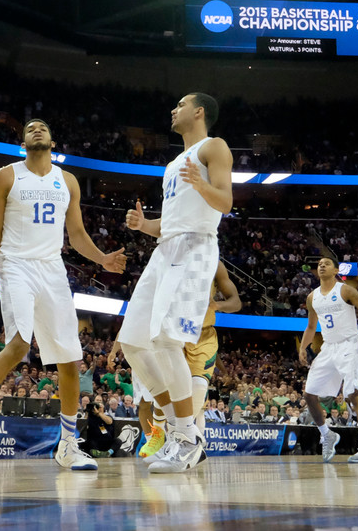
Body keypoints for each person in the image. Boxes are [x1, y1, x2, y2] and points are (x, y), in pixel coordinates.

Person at [0, 119, 127, 473]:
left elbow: (77, 235)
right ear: (23, 141)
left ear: (52, 139)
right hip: (15, 264)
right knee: (19, 344)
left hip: (52, 269)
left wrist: (103, 258)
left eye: (43, 127)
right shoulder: (6, 176)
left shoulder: (67, 181)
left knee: (69, 359)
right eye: (30, 127)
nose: (36, 129)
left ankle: (67, 445)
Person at [117, 92, 232, 474]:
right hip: (165, 248)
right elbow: (170, 223)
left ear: (199, 111)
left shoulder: (213, 147)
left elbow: (225, 202)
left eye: (180, 104)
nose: (173, 109)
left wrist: (201, 184)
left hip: (196, 249)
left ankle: (187, 439)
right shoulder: (171, 165)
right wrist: (144, 225)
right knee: (132, 341)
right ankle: (176, 428)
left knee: (166, 340)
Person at [116, 260, 241, 463]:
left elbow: (236, 302)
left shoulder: (214, 263)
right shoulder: (169, 257)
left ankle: (184, 441)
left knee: (198, 389)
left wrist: (218, 304)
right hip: (174, 333)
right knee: (166, 391)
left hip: (203, 335)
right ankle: (163, 437)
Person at [298, 256, 358, 463]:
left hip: (349, 344)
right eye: (319, 264)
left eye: (326, 263)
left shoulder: (345, 290)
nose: (322, 265)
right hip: (328, 347)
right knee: (309, 394)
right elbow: (310, 327)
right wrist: (302, 347)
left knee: (352, 394)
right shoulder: (312, 297)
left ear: (335, 270)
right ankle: (327, 435)